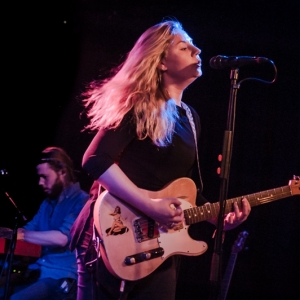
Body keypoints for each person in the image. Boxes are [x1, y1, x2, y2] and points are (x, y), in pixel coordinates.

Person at [69, 19, 251, 300]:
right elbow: (95, 159)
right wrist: (149, 206)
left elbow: (188, 190)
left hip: (157, 243)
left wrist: (219, 218)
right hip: (112, 233)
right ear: (162, 62)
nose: (198, 50)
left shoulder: (191, 118)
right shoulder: (137, 104)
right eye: (184, 45)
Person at [7, 146, 90, 300]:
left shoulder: (82, 201)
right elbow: (29, 229)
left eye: (44, 177)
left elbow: (61, 238)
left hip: (63, 277)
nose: (40, 182)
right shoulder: (47, 204)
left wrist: (19, 235)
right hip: (39, 271)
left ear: (62, 172)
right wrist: (7, 234)